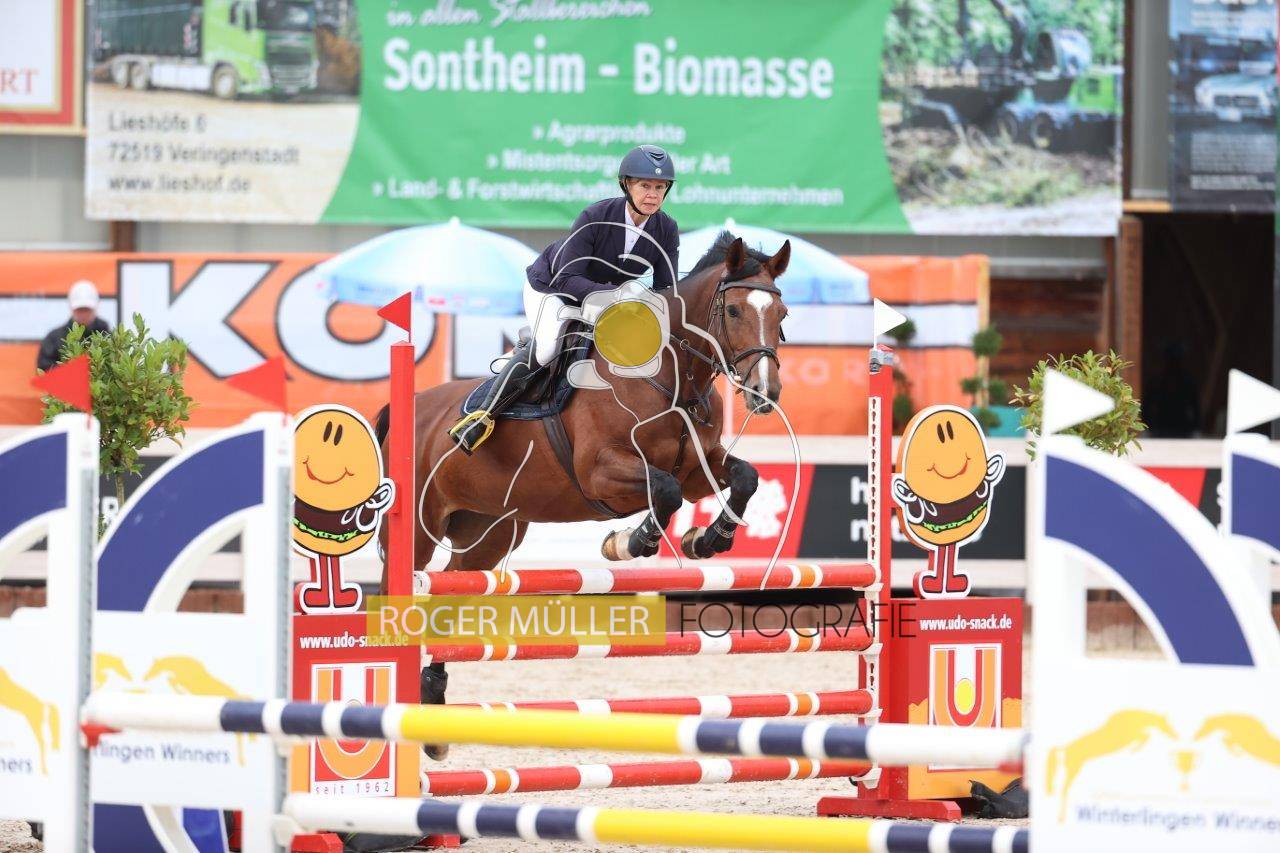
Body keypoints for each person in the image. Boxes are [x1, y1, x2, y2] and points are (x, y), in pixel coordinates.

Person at [449, 144, 680, 454]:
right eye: (645, 186)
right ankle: (481, 415)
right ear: (626, 185)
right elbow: (567, 279)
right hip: (551, 289)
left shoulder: (666, 229)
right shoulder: (595, 217)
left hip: (601, 300)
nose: (652, 195)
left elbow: (667, 288)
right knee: (547, 348)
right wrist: (617, 297)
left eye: (659, 187)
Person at [37, 280, 111, 372]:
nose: (83, 314)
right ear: (72, 308)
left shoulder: (109, 337)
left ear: (95, 308)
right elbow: (44, 369)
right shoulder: (54, 339)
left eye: (87, 309)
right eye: (80, 310)